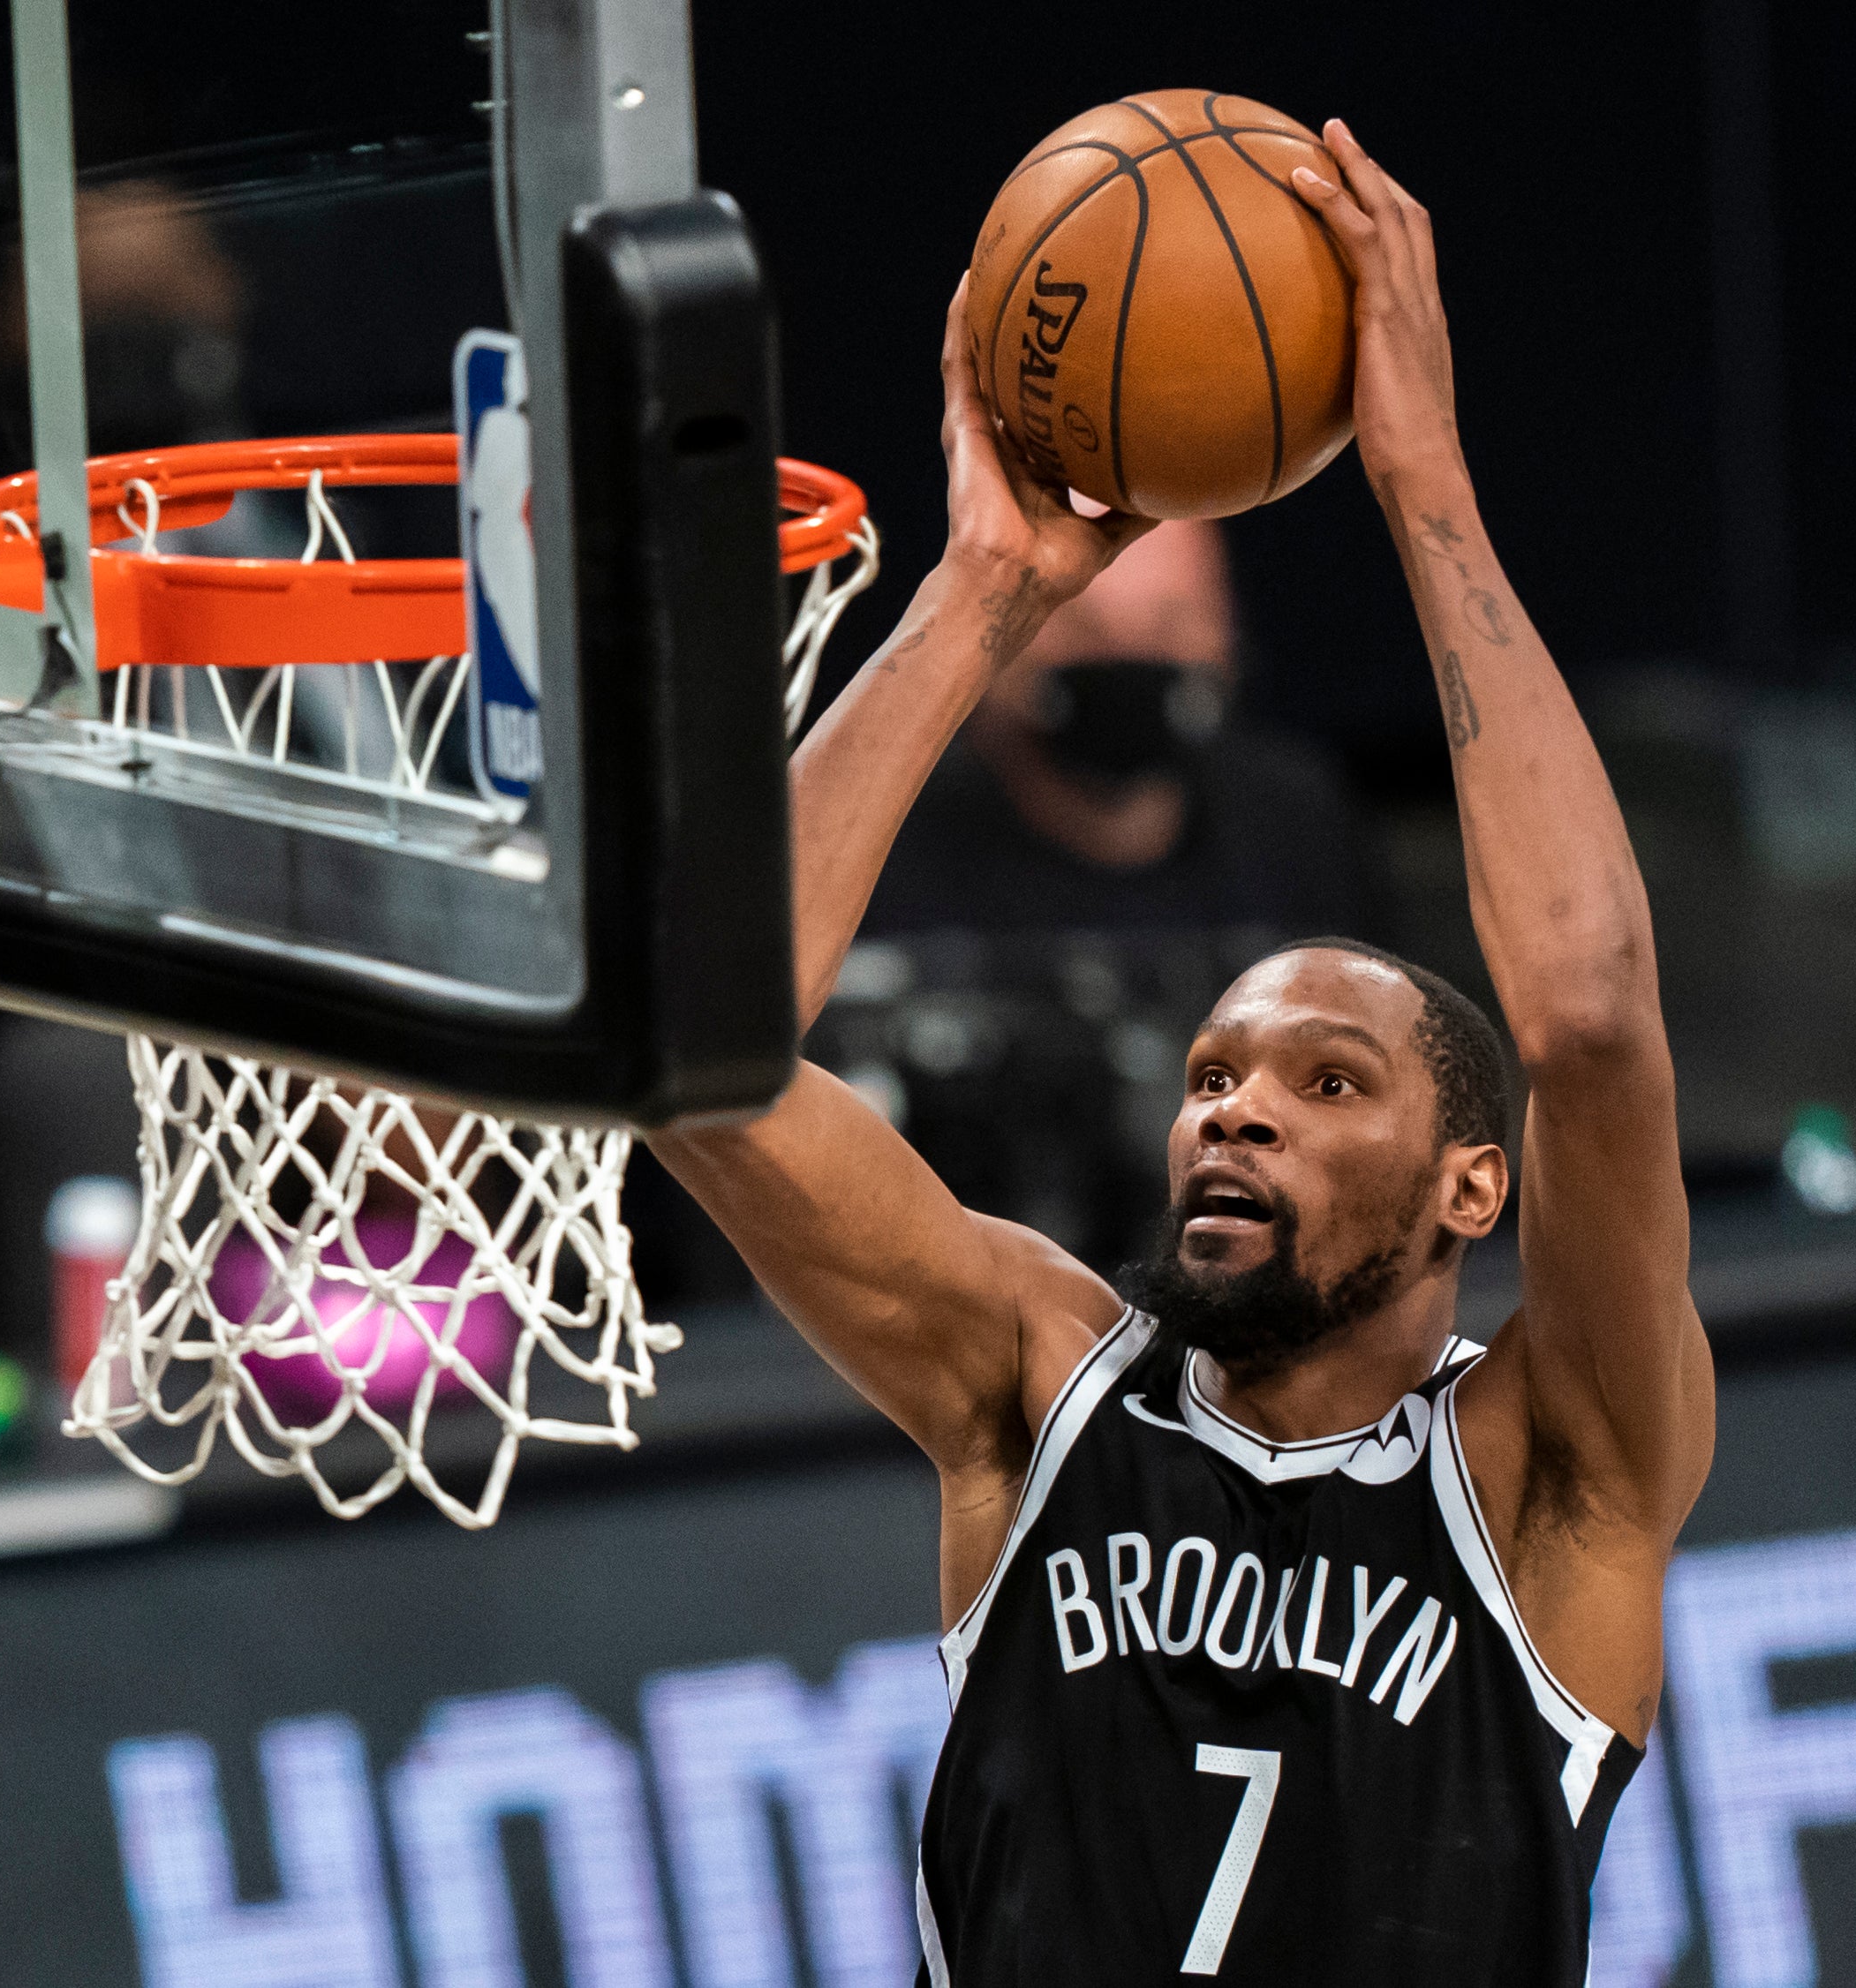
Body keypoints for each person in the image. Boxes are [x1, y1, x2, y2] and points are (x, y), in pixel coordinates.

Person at [651, 120, 1713, 1984]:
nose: (1235, 1107)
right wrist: (986, 591)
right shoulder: (1040, 1387)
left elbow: (1593, 1020)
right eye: (1218, 1073)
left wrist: (1427, 488)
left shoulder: (1549, 1475)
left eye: (1326, 1081)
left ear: (1477, 1182)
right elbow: (695, 1039)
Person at [861, 514, 1384, 939]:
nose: (1126, 660)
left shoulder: (1297, 828)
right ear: (990, 642)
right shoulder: (880, 843)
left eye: (1169, 626)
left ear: (1226, 637)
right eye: (1078, 626)